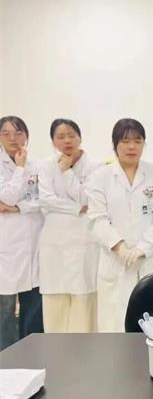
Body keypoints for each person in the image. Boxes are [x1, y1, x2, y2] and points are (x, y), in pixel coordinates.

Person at [87, 118, 153, 332]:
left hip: (152, 260)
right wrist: (121, 248)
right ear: (115, 144)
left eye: (137, 140)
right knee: (116, 326)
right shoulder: (100, 177)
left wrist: (143, 249)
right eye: (125, 141)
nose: (132, 146)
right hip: (116, 262)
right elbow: (97, 219)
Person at [38, 119, 100, 333]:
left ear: (80, 138)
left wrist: (66, 172)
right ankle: (56, 348)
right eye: (60, 137)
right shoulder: (46, 165)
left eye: (71, 135)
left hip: (84, 239)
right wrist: (75, 208)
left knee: (84, 294)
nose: (67, 141)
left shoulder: (94, 167)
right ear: (53, 141)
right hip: (54, 241)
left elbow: (87, 198)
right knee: (55, 297)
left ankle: (86, 348)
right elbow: (45, 199)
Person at [0, 116, 44, 350]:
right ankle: (6, 356)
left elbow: (44, 200)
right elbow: (6, 197)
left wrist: (19, 207)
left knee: (33, 305)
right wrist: (19, 169)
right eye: (5, 133)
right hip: (6, 245)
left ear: (26, 136)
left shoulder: (37, 166)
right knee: (5, 309)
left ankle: (31, 353)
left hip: (33, 242)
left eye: (18, 133)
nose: (12, 138)